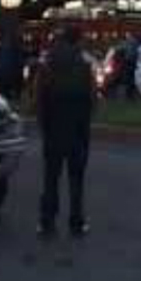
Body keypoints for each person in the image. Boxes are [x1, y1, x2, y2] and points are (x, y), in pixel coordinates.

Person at [36, 27, 95, 238]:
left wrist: (44, 124)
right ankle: (76, 222)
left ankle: (47, 222)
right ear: (77, 41)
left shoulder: (48, 62)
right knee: (76, 178)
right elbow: (91, 98)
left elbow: (40, 97)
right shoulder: (84, 64)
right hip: (77, 127)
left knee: (51, 178)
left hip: (53, 127)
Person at [0, 31, 26, 102]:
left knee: (5, 91)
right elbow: (20, 62)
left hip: (5, 73)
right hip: (8, 73)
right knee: (7, 91)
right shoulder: (15, 49)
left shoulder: (1, 48)